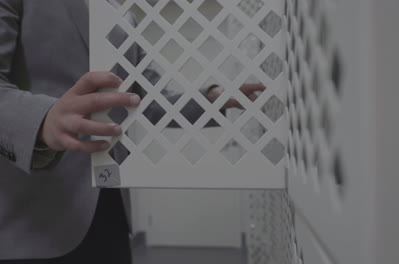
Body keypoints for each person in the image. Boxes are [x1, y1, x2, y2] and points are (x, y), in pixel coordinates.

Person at [0, 0, 264, 262]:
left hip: (109, 199)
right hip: (34, 215)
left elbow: (145, 99)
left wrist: (213, 98)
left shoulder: (124, 15)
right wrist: (44, 119)